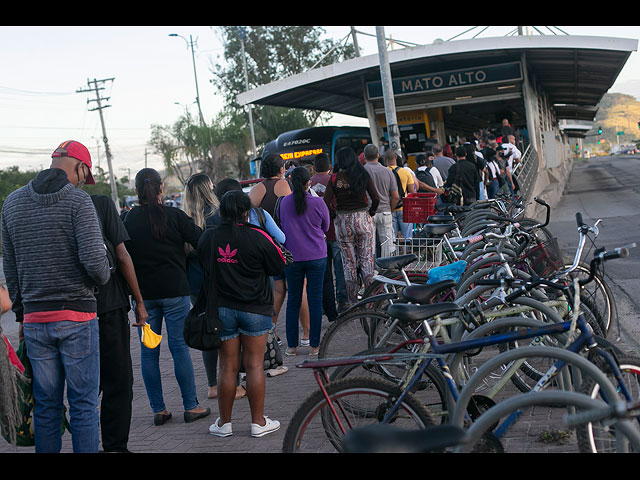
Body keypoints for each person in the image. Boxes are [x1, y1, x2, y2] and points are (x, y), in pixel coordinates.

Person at [1, 140, 111, 453]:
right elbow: (96, 265)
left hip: (36, 321)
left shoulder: (12, 203)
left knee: (47, 407)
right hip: (77, 317)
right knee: (83, 407)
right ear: (78, 167)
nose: (81, 183)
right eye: (83, 175)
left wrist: (23, 315)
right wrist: (105, 269)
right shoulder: (78, 203)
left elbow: (11, 268)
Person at [123, 168, 210, 426]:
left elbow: (122, 255)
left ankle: (158, 410)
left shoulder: (128, 221)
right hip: (175, 293)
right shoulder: (174, 215)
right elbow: (201, 239)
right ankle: (190, 406)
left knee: (149, 353)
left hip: (144, 298)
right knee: (179, 348)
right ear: (161, 189)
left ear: (137, 192)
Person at [199, 190, 286, 438]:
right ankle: (258, 423)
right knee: (255, 365)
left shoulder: (209, 238)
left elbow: (204, 265)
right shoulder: (259, 236)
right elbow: (277, 266)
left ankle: (224, 424)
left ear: (222, 213)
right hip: (256, 308)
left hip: (223, 310)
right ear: (247, 212)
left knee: (227, 367)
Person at [182, 174, 248, 401]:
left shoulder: (185, 218)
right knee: (229, 332)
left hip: (195, 284)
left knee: (207, 330)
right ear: (208, 190)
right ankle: (234, 385)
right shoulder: (219, 215)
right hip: (222, 282)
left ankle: (212, 385)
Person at [91, 194, 148, 453]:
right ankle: (114, 446)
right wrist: (138, 300)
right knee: (118, 381)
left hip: (66, 310)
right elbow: (121, 254)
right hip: (108, 306)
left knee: (85, 388)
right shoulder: (100, 204)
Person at [279, 167, 330, 356]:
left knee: (293, 300)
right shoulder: (318, 202)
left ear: (291, 183)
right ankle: (314, 346)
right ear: (309, 183)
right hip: (317, 256)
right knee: (315, 300)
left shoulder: (284, 203)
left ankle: (292, 346)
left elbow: (282, 225)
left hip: (292, 258)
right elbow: (326, 226)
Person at [249, 154, 300, 341]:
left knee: (277, 290)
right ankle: (307, 334)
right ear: (281, 169)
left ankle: (271, 330)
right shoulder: (285, 185)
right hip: (286, 243)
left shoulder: (255, 190)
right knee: (297, 288)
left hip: (264, 245)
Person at [323, 147, 379, 307]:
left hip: (342, 221)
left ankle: (353, 302)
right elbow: (376, 197)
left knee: (349, 263)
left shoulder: (334, 179)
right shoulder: (362, 175)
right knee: (367, 260)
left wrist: (334, 215)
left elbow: (326, 202)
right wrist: (371, 212)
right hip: (363, 218)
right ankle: (370, 301)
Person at [310, 153, 348, 315]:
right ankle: (342, 301)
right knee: (340, 269)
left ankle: (326, 304)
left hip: (317, 234)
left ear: (313, 167)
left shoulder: (308, 182)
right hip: (335, 230)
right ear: (330, 167)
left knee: (323, 272)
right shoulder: (335, 180)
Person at [362, 144, 398, 258]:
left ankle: (371, 270)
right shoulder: (388, 172)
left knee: (369, 244)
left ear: (364, 157)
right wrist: (390, 210)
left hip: (367, 213)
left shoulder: (361, 172)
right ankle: (387, 269)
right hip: (385, 211)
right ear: (378, 155)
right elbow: (395, 196)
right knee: (387, 244)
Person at [385, 149, 415, 240]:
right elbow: (412, 192)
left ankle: (395, 254)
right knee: (407, 237)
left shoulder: (384, 172)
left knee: (392, 238)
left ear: (384, 159)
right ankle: (407, 253)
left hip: (390, 207)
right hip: (404, 207)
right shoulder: (406, 172)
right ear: (396, 157)